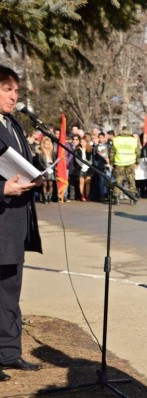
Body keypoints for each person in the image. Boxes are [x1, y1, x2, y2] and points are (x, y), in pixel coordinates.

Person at [0, 64, 43, 382]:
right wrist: (2, 188)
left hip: (15, 223)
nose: (13, 96)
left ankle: (9, 353)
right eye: (6, 89)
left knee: (10, 290)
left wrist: (38, 174)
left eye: (15, 90)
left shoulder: (12, 123)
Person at [110, 126, 140, 205]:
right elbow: (138, 152)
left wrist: (112, 162)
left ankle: (116, 197)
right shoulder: (134, 140)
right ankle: (132, 197)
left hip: (119, 162)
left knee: (118, 180)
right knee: (131, 179)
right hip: (130, 162)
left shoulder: (116, 139)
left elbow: (112, 152)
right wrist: (137, 161)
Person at [35, 136, 57, 204]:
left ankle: (49, 197)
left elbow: (54, 162)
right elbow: (40, 162)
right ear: (43, 144)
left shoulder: (52, 152)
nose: (46, 145)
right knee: (44, 184)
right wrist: (45, 168)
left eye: (48, 144)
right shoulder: (40, 153)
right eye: (45, 144)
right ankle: (45, 198)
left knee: (50, 184)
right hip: (44, 169)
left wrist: (52, 168)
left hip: (51, 169)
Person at [74, 135, 93, 201]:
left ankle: (87, 195)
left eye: (84, 142)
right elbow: (77, 159)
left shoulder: (90, 150)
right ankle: (82, 195)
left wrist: (88, 165)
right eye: (81, 142)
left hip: (88, 168)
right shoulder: (77, 150)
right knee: (81, 182)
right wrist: (82, 165)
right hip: (80, 168)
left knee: (88, 181)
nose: (82, 143)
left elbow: (91, 159)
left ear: (86, 143)